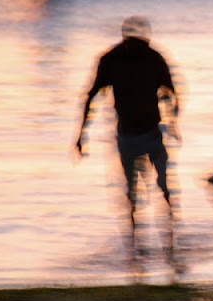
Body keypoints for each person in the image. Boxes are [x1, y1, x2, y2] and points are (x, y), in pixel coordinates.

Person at [75, 16, 180, 265]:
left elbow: (172, 91)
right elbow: (91, 97)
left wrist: (173, 121)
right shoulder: (112, 60)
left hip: (152, 135)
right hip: (128, 137)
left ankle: (169, 245)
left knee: (165, 189)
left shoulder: (153, 58)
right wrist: (81, 134)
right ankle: (137, 249)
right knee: (134, 194)